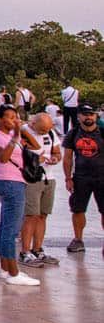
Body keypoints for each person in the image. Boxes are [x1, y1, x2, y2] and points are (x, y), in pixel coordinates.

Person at [0, 105, 39, 287]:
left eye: (15, 117)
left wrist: (22, 129)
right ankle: (13, 272)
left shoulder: (10, 135)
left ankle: (5, 268)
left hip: (15, 181)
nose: (13, 120)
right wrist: (16, 136)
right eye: (9, 117)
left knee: (5, 224)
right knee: (11, 228)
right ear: (0, 119)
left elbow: (35, 146)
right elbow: (1, 157)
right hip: (9, 182)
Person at [19, 114, 62, 268]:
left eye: (48, 129)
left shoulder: (51, 133)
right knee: (31, 215)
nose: (45, 132)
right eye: (42, 129)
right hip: (31, 179)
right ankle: (25, 251)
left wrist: (55, 158)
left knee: (43, 215)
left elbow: (57, 152)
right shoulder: (23, 131)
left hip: (48, 178)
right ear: (33, 123)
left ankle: (38, 249)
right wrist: (36, 159)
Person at [63, 105, 103, 254]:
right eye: (85, 114)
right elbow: (67, 158)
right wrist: (68, 178)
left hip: (102, 177)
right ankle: (78, 239)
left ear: (96, 116)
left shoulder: (102, 131)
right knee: (78, 209)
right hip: (81, 178)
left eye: (91, 114)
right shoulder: (73, 134)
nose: (89, 117)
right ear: (79, 116)